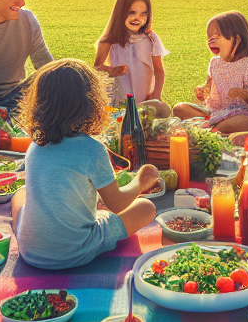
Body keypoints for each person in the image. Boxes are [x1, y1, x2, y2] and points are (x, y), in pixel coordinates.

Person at [11, 59, 159, 270]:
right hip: (75, 251)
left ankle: (31, 230)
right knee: (146, 207)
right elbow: (116, 204)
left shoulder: (35, 146)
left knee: (20, 195)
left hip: (31, 251)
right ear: (91, 104)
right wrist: (140, 183)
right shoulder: (92, 150)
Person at [174, 11, 248, 134]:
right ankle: (211, 126)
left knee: (230, 124)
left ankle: (210, 128)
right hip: (219, 112)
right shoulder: (215, 63)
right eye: (209, 37)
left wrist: (245, 95)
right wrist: (202, 91)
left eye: (217, 36)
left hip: (247, 114)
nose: (211, 41)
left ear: (236, 39)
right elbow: (208, 90)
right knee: (179, 108)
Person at [94, 0, 171, 116]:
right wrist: (112, 70)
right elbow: (96, 68)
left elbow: (159, 70)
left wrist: (155, 96)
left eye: (143, 14)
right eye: (132, 13)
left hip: (145, 100)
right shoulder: (110, 40)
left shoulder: (151, 39)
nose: (137, 18)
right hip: (120, 100)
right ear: (121, 13)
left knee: (163, 114)